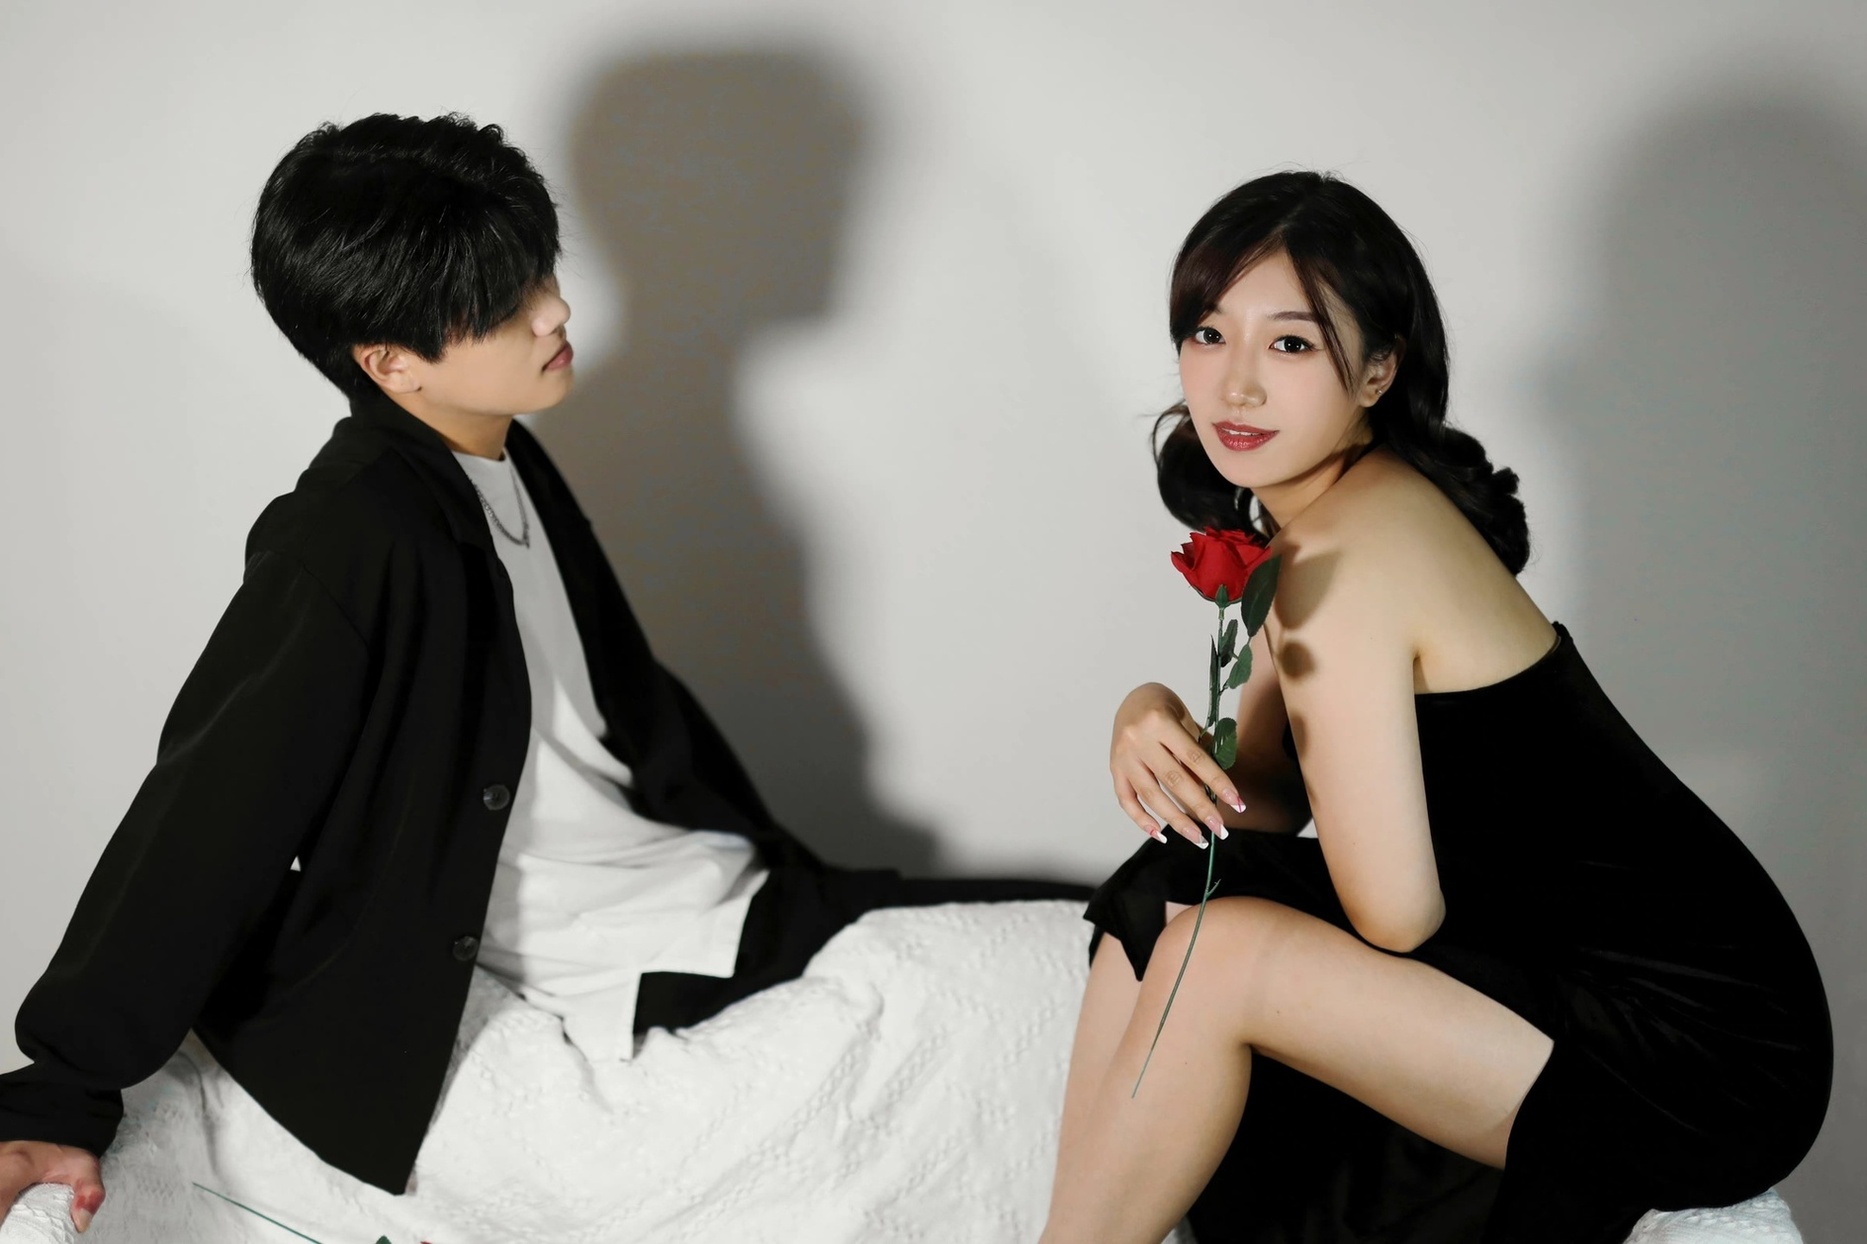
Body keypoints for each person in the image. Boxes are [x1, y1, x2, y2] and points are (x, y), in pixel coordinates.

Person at [0, 112, 1085, 1235]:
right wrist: (64, 1085)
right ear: (389, 361)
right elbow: (210, 808)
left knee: (1114, 926)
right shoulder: (350, 537)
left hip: (689, 877)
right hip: (609, 947)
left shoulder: (502, 450)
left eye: (539, 270)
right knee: (1093, 954)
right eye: (501, 302)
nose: (555, 310)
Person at [1042, 171, 1831, 1244]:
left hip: (1697, 1048)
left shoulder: (1355, 544)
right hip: (1551, 967)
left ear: (1377, 369)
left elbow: (1396, 918)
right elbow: (1256, 808)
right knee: (1171, 880)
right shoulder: (1320, 521)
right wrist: (1148, 712)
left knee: (1215, 950)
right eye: (1207, 333)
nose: (1235, 385)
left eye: (1290, 343)